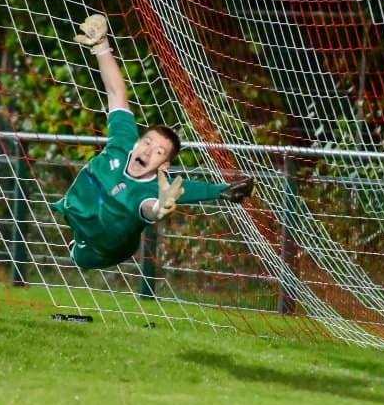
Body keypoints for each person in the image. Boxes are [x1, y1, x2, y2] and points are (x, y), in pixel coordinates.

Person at [52, 14, 254, 270]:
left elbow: (153, 207)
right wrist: (102, 47)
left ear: (164, 166)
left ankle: (78, 250)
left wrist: (162, 206)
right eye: (147, 142)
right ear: (137, 142)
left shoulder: (151, 190)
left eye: (158, 152)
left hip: (107, 248)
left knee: (82, 258)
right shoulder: (123, 142)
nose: (148, 151)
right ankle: (79, 233)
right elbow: (116, 92)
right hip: (81, 214)